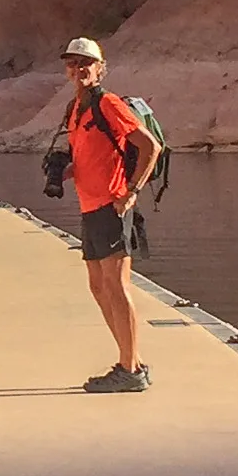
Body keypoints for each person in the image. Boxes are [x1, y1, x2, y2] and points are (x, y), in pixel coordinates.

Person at [57, 37, 156, 394]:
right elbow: (89, 155)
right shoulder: (75, 107)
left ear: (100, 68)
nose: (78, 69)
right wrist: (65, 171)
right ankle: (133, 361)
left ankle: (129, 371)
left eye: (86, 63)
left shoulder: (108, 103)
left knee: (116, 286)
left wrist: (131, 192)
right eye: (72, 63)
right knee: (98, 286)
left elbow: (150, 146)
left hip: (112, 205)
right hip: (90, 206)